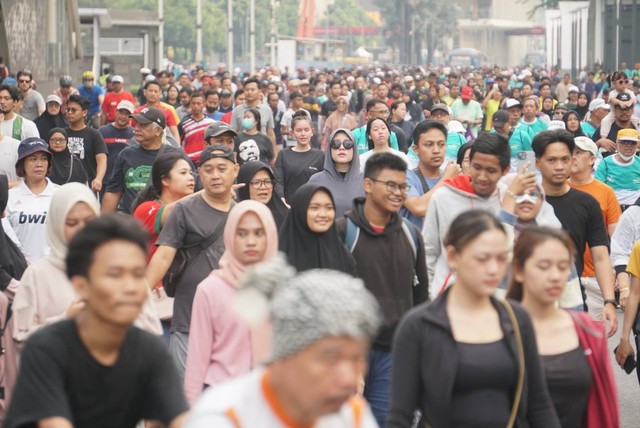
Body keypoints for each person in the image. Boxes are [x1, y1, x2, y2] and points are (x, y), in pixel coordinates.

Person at [4, 215, 188, 428]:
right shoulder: (46, 349)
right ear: (81, 286)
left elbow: (174, 419)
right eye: (115, 275)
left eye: (138, 274)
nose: (130, 287)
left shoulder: (150, 349)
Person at [388, 211, 560, 428]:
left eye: (501, 258)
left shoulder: (517, 319)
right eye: (482, 259)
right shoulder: (418, 325)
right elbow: (400, 415)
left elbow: (539, 403)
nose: (493, 269)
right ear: (452, 256)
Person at [186, 255, 380, 427]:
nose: (348, 380)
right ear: (284, 353)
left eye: (357, 359)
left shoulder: (352, 414)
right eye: (330, 358)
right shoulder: (224, 417)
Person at [335, 152, 428, 426]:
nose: (398, 193)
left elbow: (421, 299)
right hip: (352, 352)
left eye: (402, 187)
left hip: (395, 352)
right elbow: (333, 298)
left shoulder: (411, 235)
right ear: (367, 185)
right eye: (391, 185)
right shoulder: (343, 231)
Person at [508, 227, 619, 428]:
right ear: (518, 269)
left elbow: (602, 408)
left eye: (563, 266)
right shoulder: (499, 329)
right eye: (543, 266)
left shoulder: (588, 332)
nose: (555, 276)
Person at [146, 144, 238, 378]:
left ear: (235, 170)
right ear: (200, 173)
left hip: (230, 323)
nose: (215, 175)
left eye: (222, 168)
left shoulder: (243, 214)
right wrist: (139, 293)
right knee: (186, 397)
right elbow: (164, 254)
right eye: (208, 169)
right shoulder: (184, 210)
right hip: (188, 318)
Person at [184, 200, 279, 405]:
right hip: (222, 398)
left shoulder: (282, 288)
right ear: (229, 236)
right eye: (241, 233)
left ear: (270, 236)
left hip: (271, 399)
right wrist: (190, 414)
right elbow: (197, 358)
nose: (251, 241)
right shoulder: (210, 289)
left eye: (258, 233)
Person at [532, 129, 617, 336]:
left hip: (574, 298)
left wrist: (609, 301)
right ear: (538, 162)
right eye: (551, 160)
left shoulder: (588, 204)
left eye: (565, 159)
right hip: (531, 301)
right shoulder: (526, 201)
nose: (559, 166)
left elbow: (600, 256)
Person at [423, 132, 515, 298]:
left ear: (506, 170)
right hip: (448, 299)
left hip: (496, 299)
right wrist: (430, 296)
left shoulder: (509, 199)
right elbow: (429, 251)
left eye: (491, 170)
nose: (482, 176)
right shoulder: (443, 197)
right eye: (477, 167)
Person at [568, 136, 621, 319]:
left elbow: (615, 236)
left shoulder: (606, 192)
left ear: (592, 159)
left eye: (579, 153)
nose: (573, 157)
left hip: (594, 277)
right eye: (571, 152)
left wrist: (616, 271)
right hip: (563, 276)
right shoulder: (556, 188)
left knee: (593, 341)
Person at [102, 106, 190, 215]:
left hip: (163, 223)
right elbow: (113, 192)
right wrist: (104, 226)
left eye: (143, 125)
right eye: (136, 124)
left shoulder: (177, 156)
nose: (136, 129)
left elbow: (190, 192)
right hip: (131, 223)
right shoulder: (126, 154)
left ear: (158, 131)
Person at [279, 183, 356, 275]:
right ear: (300, 210)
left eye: (329, 208)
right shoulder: (280, 260)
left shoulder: (343, 257)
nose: (323, 214)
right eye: (314, 208)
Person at [5, 138, 59, 262]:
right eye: (33, 159)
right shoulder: (10, 197)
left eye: (44, 159)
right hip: (19, 273)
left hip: (53, 270)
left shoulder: (60, 195)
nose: (39, 164)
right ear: (22, 163)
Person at [401, 120, 460, 229]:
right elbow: (418, 208)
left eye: (441, 145)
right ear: (416, 149)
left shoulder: (452, 177)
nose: (436, 150)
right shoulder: (403, 178)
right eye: (429, 145)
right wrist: (447, 178)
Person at [308, 128, 364, 217]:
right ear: (329, 148)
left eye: (348, 144)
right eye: (335, 144)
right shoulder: (316, 181)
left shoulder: (366, 181)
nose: (342, 148)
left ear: (354, 149)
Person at [274, 113, 324, 205]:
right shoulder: (283, 154)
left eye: (306, 130)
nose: (303, 134)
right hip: (289, 205)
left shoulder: (320, 155)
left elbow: (324, 182)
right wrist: (281, 199)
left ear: (312, 132)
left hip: (313, 205)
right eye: (299, 130)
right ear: (292, 133)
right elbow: (278, 181)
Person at [64, 94, 107, 194]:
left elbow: (102, 160)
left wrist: (98, 179)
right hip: (64, 186)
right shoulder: (61, 134)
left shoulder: (94, 135)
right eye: (68, 109)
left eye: (73, 110)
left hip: (88, 187)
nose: (69, 113)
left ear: (84, 112)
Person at [595, 128, 640, 208]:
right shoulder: (605, 163)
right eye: (624, 142)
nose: (628, 145)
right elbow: (598, 187)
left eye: (632, 142)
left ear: (637, 144)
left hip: (636, 208)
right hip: (613, 207)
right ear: (617, 143)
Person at [236, 161, 288, 228]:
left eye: (267, 181)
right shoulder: (235, 217)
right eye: (256, 182)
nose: (263, 187)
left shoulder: (285, 217)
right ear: (244, 186)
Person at [178, 91, 215, 156]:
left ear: (204, 104)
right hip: (188, 160)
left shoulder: (211, 123)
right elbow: (178, 143)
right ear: (190, 104)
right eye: (193, 103)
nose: (196, 106)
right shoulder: (183, 124)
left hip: (205, 158)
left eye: (198, 103)